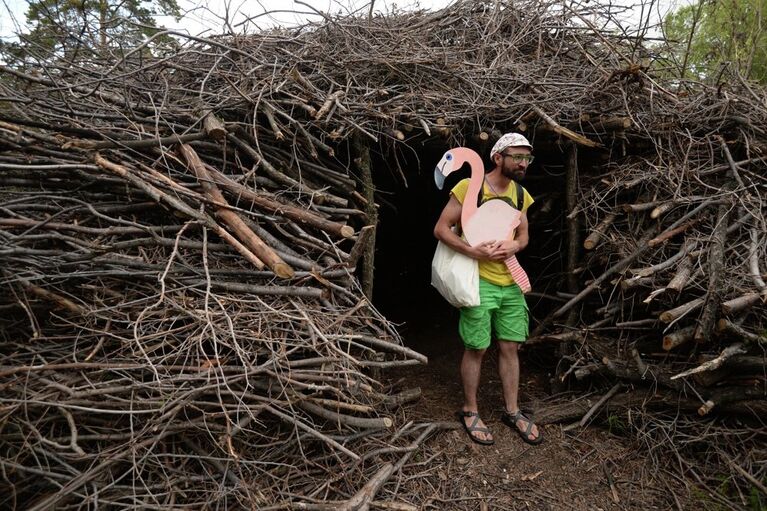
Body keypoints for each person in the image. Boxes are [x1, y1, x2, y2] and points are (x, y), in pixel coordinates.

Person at [433, 132, 541, 446]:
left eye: (527, 158)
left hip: (511, 285)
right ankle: (470, 410)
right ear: (498, 158)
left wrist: (514, 244)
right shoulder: (469, 188)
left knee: (510, 347)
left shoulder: (522, 195)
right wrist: (472, 251)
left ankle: (512, 410)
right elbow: (440, 229)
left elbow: (523, 237)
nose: (523, 163)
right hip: (479, 282)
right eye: (517, 157)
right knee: (477, 347)